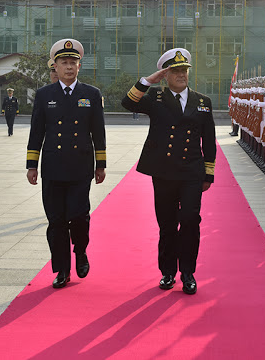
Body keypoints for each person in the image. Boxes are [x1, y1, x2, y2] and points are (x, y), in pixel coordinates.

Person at [121, 48, 216, 295]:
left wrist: (208, 173)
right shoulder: (155, 98)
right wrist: (149, 81)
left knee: (190, 220)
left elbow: (209, 139)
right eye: (176, 71)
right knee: (167, 224)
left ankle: (188, 272)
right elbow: (127, 102)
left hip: (191, 172)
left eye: (184, 70)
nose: (182, 74)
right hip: (163, 172)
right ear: (166, 74)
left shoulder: (203, 102)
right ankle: (168, 272)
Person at [26, 38, 107, 289]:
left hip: (80, 167)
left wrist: (100, 164)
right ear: (56, 66)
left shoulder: (91, 94)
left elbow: (98, 131)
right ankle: (61, 268)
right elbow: (36, 131)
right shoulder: (44, 95)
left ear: (79, 66)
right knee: (56, 221)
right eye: (64, 62)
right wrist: (32, 164)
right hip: (53, 167)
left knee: (79, 217)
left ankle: (80, 251)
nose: (69, 67)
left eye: (73, 62)